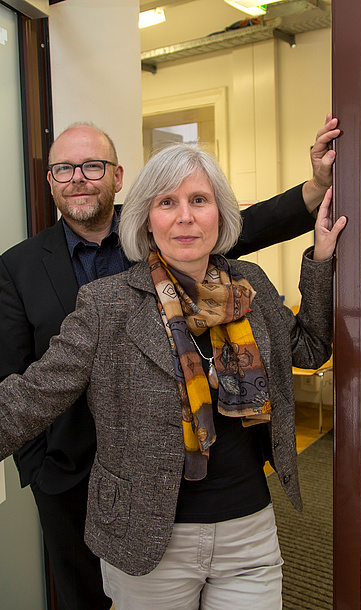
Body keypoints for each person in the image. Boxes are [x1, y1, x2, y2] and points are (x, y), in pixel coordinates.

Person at [0, 116, 339, 610]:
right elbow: (28, 397)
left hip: (249, 527)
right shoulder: (106, 303)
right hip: (148, 535)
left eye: (199, 201)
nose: (185, 217)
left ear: (220, 214)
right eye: (167, 202)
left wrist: (321, 260)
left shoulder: (250, 285)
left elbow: (309, 350)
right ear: (145, 219)